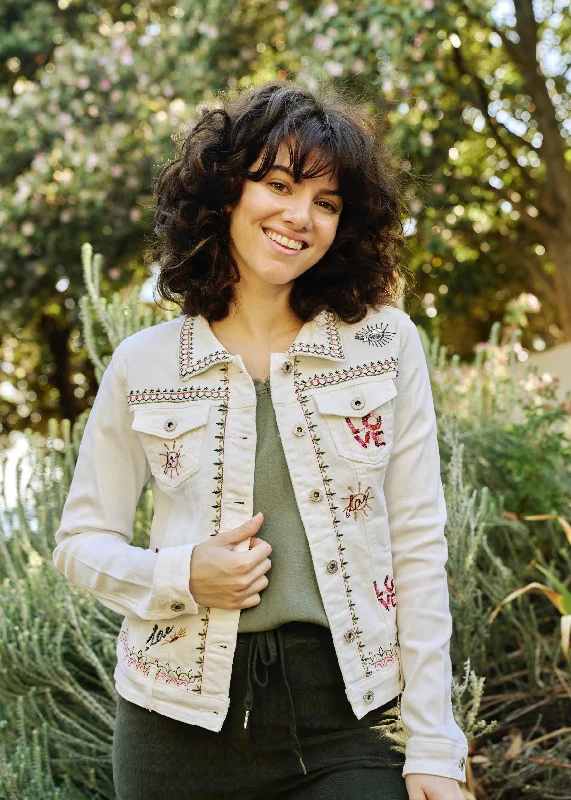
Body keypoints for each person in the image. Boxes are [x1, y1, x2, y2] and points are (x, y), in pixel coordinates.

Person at [53, 79, 469, 799]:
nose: (300, 215)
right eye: (278, 184)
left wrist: (434, 743)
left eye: (327, 202)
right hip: (173, 723)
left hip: (348, 715)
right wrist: (181, 574)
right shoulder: (144, 365)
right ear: (224, 196)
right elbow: (79, 542)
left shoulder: (382, 343)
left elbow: (418, 545)